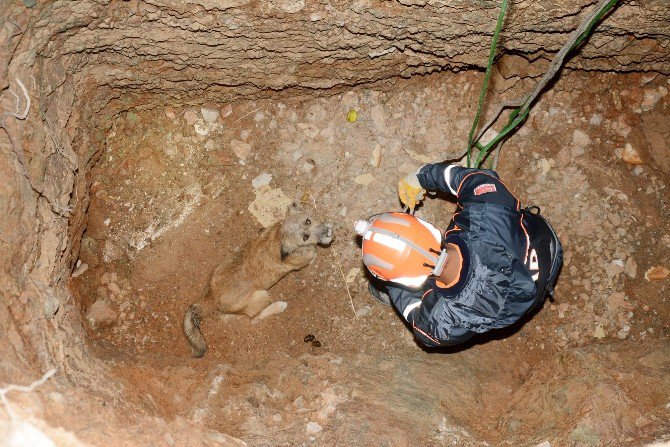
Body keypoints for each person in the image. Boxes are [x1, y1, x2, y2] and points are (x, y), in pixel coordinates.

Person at [355, 162, 563, 347]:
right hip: (547, 248)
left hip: (522, 298)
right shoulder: (487, 212)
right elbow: (473, 179)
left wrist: (392, 283)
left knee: (409, 294)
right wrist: (422, 177)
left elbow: (417, 317)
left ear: (410, 282)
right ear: (430, 229)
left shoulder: (437, 324)